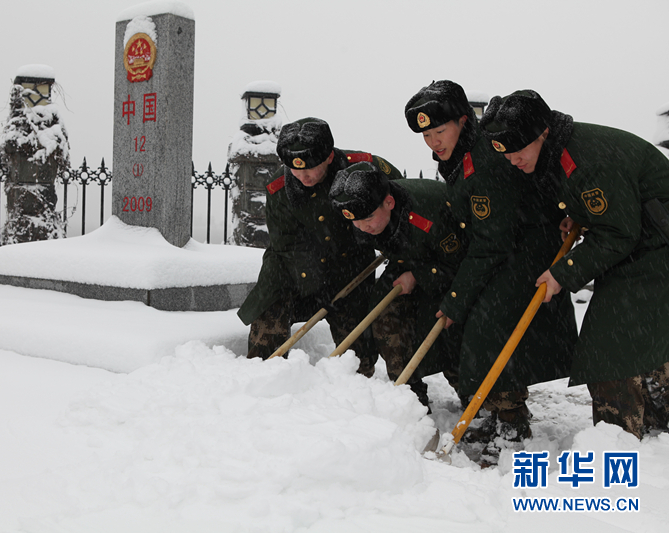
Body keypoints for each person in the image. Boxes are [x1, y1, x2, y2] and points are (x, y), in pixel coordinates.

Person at [479, 89, 669, 439]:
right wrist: (579, 216)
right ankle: (655, 417)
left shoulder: (587, 160)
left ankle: (617, 442)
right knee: (634, 335)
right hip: (642, 239)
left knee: (610, 346)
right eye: (503, 152)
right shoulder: (560, 151)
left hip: (656, 247)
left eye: (516, 150)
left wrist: (562, 273)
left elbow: (617, 233)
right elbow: (608, 209)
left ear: (542, 133)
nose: (511, 160)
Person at [403, 81, 578, 452]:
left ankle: (511, 422)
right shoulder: (460, 157)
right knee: (474, 324)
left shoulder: (482, 162)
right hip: (506, 244)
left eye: (440, 130)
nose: (434, 141)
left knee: (488, 324)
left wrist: (457, 298)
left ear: (463, 121)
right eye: (427, 134)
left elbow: (491, 242)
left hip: (528, 247)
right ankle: (490, 412)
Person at [237, 117, 404, 377]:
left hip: (351, 266)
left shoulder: (363, 167)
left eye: (309, 168)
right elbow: (286, 245)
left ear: (328, 157)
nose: (302, 176)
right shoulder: (278, 188)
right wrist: (316, 283)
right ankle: (263, 378)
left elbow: (397, 195)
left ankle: (356, 387)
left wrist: (385, 239)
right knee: (268, 318)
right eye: (294, 168)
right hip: (291, 269)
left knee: (357, 351)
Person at [329, 161, 466, 407]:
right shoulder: (366, 216)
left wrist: (418, 275)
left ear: (389, 202)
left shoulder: (430, 211)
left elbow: (463, 262)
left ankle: (477, 400)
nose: (363, 227)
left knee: (453, 335)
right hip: (411, 261)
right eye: (356, 222)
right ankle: (409, 397)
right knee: (384, 313)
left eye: (368, 218)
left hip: (457, 273)